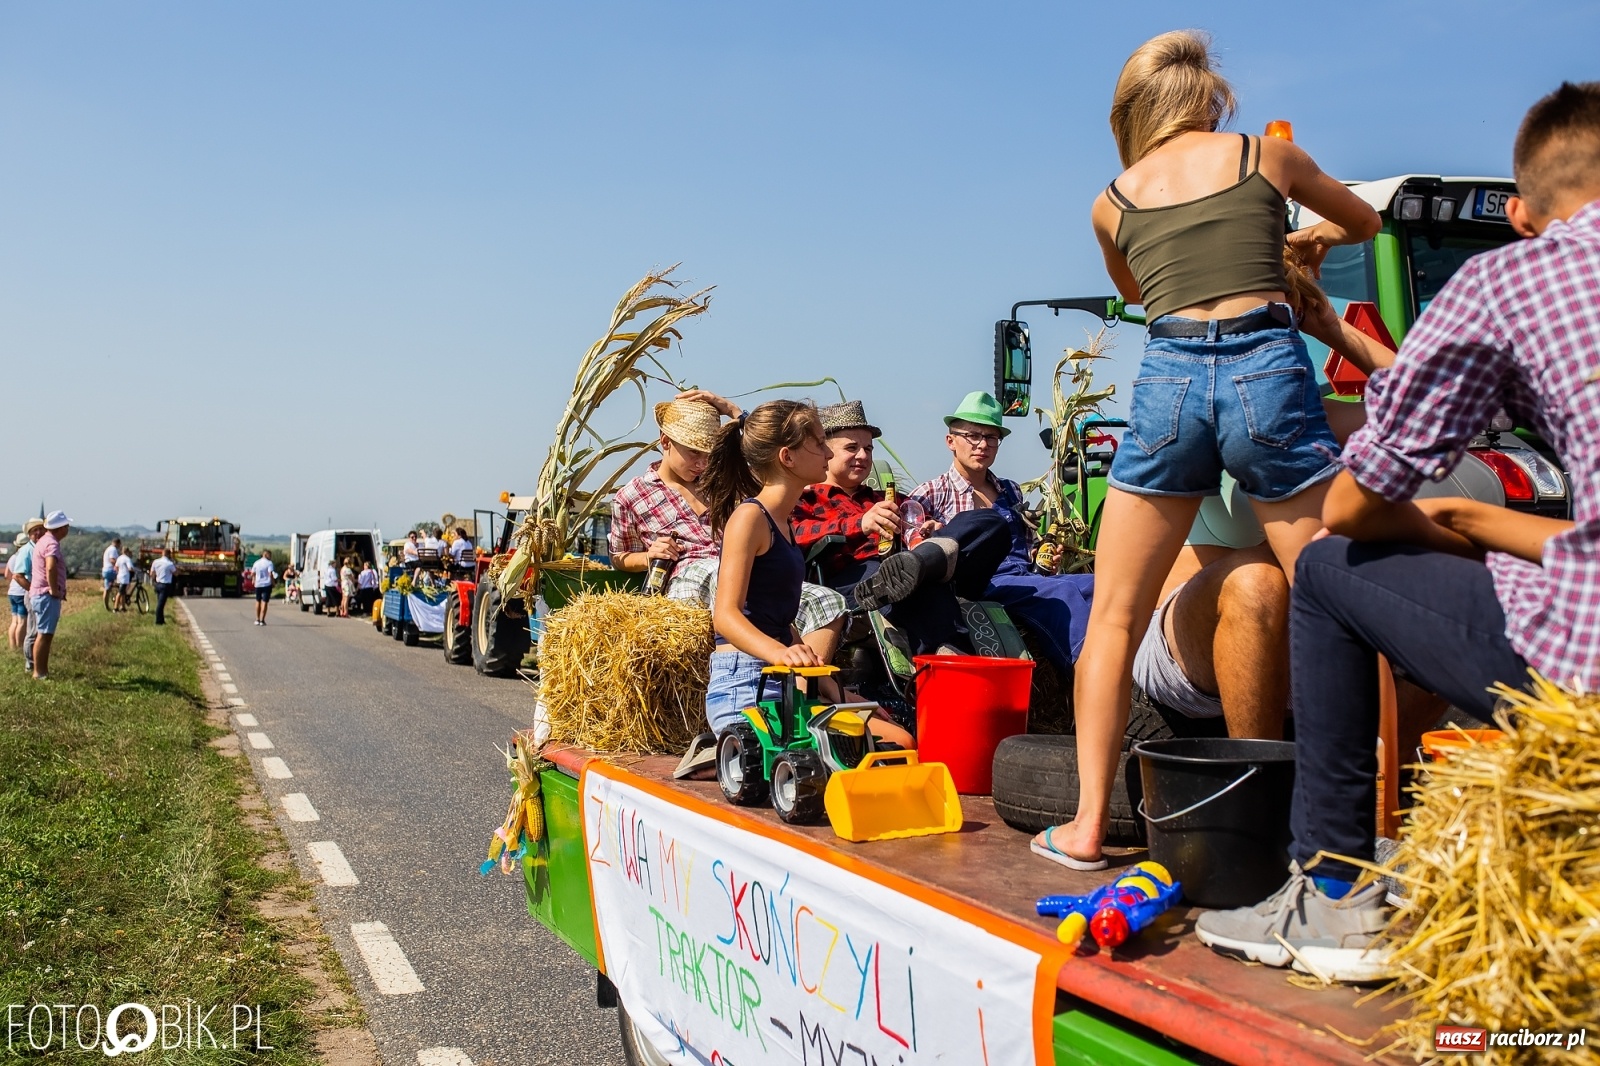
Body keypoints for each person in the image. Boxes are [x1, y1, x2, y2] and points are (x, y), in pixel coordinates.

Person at [1195, 81, 1600, 981]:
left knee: (1332, 567)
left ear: (1519, 213)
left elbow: (1351, 506)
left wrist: (1454, 521)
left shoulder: (1510, 278)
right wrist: (1478, 518)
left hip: (1586, 648)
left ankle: (1332, 886)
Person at [1036, 30, 1382, 872]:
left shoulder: (1111, 200)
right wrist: (1305, 248)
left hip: (1172, 379)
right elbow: (1366, 223)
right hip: (1266, 363)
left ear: (1132, 114)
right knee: (1344, 596)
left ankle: (1084, 829)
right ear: (1211, 99)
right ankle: (1368, 817)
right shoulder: (1266, 156)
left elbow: (1139, 291)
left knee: (1114, 617)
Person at [1133, 296, 1406, 739]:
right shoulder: (1186, 407)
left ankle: (1376, 790)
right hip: (1189, 653)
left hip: (1311, 637)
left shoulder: (1310, 414)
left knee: (1443, 588)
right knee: (1259, 581)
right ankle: (1257, 786)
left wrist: (1332, 327)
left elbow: (1433, 399)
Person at [701, 400, 913, 747]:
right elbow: (725, 616)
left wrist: (833, 688)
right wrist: (781, 655)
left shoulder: (783, 524)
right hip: (745, 686)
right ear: (788, 457)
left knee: (901, 739)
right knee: (885, 747)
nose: (827, 455)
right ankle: (718, 754)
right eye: (818, 443)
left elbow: (779, 620)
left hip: (781, 680)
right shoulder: (749, 518)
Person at [610, 392, 851, 668]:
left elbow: (765, 455)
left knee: (826, 600)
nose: (701, 463)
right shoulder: (632, 495)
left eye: (707, 454)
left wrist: (735, 412)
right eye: (693, 453)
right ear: (665, 442)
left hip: (737, 566)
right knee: (723, 578)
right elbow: (619, 555)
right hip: (688, 574)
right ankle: (793, 677)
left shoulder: (721, 480)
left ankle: (807, 687)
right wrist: (649, 556)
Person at [793, 400, 1011, 655]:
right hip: (857, 577)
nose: (863, 456)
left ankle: (926, 560)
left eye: (868, 448)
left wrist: (931, 530)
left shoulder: (887, 498)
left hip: (918, 570)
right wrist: (859, 524)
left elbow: (925, 524)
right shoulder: (807, 499)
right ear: (826, 453)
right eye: (852, 448)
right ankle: (953, 654)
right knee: (904, 581)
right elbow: (795, 536)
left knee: (989, 522)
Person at [907, 392, 1096, 673]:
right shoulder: (930, 494)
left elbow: (1027, 546)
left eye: (991, 437)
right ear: (951, 441)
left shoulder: (1010, 489)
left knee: (1100, 585)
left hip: (1022, 576)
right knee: (1064, 591)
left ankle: (1136, 664)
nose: (982, 444)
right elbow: (914, 553)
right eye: (972, 435)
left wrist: (1041, 557)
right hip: (979, 582)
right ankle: (1088, 671)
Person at [30, 511, 71, 680]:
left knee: (44, 633)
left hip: (39, 593)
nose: (68, 528)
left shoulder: (44, 541)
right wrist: (54, 589)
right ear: (60, 528)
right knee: (45, 635)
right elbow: (50, 567)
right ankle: (39, 673)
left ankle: (40, 671)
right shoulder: (51, 544)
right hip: (46, 595)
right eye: (66, 525)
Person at [16, 520, 44, 672]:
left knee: (41, 630)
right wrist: (32, 590)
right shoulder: (27, 550)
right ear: (29, 534)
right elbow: (18, 576)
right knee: (33, 630)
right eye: (35, 531)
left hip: (41, 593)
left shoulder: (41, 547)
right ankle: (30, 663)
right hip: (33, 593)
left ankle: (38, 662)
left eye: (41, 529)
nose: (38, 533)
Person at [7, 531, 34, 650]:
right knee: (22, 622)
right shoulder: (24, 556)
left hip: (12, 591)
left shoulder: (12, 557)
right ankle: (19, 646)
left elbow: (8, 574)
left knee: (14, 621)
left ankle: (12, 646)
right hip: (21, 591)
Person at [150, 548, 178, 625]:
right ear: (169, 554)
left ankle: (161, 620)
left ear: (162, 553)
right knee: (161, 604)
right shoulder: (169, 563)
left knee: (160, 602)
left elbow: (152, 573)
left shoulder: (156, 562)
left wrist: (153, 581)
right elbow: (176, 573)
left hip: (158, 583)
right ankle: (158, 621)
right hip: (165, 585)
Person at [251, 551, 278, 625]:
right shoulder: (269, 563)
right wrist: (273, 583)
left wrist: (253, 580)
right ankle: (262, 620)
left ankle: (257, 619)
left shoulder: (256, 562)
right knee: (265, 602)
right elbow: (270, 574)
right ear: (266, 555)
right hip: (266, 584)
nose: (270, 557)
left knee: (258, 601)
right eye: (270, 555)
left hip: (258, 584)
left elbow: (252, 573)